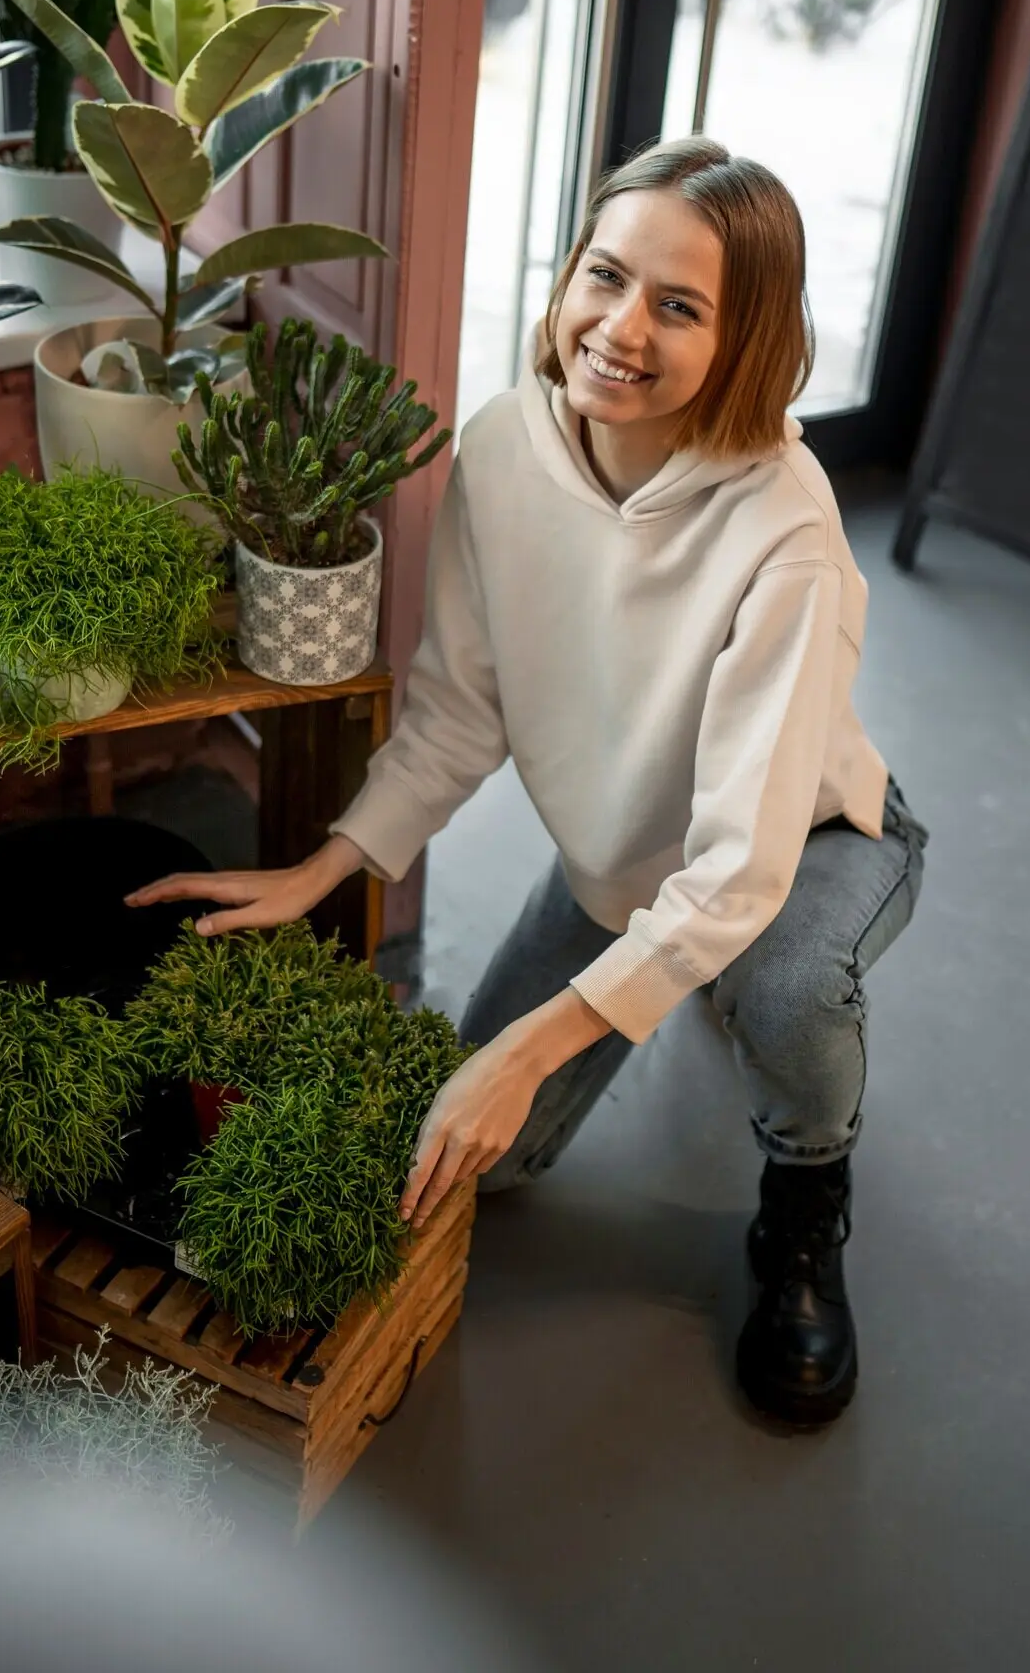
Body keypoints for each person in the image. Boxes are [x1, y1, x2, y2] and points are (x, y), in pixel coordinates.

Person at [128, 138, 929, 1429]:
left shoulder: (790, 536)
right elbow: (460, 704)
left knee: (780, 988)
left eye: (679, 306)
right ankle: (669, 997)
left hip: (810, 844)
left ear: (751, 339)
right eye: (605, 277)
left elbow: (738, 870)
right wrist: (327, 864)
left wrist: (533, 1044)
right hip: (625, 868)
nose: (619, 329)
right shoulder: (504, 448)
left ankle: (805, 1199)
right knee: (482, 1166)